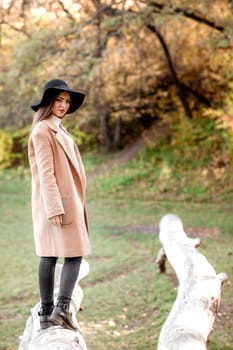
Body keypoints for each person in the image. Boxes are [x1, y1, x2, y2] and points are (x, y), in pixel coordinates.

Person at [28, 79, 91, 331]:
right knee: (71, 255)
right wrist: (54, 206)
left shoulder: (58, 129)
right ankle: (59, 310)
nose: (64, 105)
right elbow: (46, 172)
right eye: (59, 100)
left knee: (51, 254)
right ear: (48, 102)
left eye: (67, 101)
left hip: (65, 200)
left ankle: (48, 313)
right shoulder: (43, 130)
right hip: (58, 202)